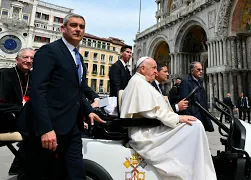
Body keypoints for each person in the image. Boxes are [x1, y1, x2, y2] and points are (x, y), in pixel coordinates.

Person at [23, 14, 105, 179]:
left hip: (72, 127)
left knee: (76, 173)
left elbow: (78, 90)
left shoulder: (78, 57)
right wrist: (45, 128)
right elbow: (38, 91)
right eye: (74, 25)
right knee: (42, 173)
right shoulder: (49, 51)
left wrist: (88, 110)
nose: (78, 29)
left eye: (81, 27)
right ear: (63, 29)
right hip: (50, 127)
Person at [120, 57, 216, 180]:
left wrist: (177, 117)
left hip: (150, 127)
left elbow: (155, 110)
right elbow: (153, 112)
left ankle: (196, 169)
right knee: (194, 125)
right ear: (143, 69)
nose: (156, 71)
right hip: (145, 133)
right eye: (154, 68)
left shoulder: (142, 82)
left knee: (194, 124)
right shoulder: (138, 83)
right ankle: (196, 172)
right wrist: (178, 118)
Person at [0, 48, 34, 175]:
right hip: (6, 118)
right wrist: (21, 109)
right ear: (17, 59)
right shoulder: (5, 74)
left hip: (24, 119)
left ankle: (20, 165)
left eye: (31, 58)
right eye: (25, 57)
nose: (28, 60)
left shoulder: (33, 77)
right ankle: (20, 165)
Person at [180, 61, 214, 132]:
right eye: (198, 70)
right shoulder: (186, 82)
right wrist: (190, 117)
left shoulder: (200, 82)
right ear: (192, 71)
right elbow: (185, 102)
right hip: (194, 117)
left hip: (202, 115)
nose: (201, 71)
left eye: (202, 69)